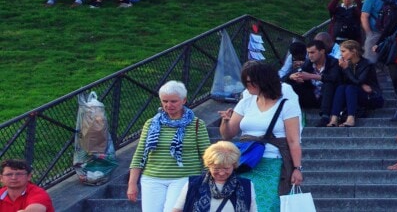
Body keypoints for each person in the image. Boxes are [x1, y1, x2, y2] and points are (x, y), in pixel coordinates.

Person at [217, 61, 303, 212]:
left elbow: (293, 140)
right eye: (246, 82)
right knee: (242, 205)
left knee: (266, 206)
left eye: (251, 82)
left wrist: (297, 168)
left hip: (272, 162)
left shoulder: (286, 104)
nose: (248, 85)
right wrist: (225, 121)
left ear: (264, 81)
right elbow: (228, 134)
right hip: (245, 162)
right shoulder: (246, 102)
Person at [128, 81, 211, 212]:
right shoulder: (151, 123)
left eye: (173, 101)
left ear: (184, 100)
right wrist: (132, 184)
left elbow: (207, 155)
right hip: (152, 178)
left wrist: (209, 181)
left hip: (184, 177)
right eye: (165, 101)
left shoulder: (197, 124)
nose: (168, 105)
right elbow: (139, 154)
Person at [166, 142, 251, 212]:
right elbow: (177, 210)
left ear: (234, 165)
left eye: (226, 168)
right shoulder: (193, 183)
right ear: (208, 165)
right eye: (216, 168)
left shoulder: (246, 185)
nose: (221, 173)